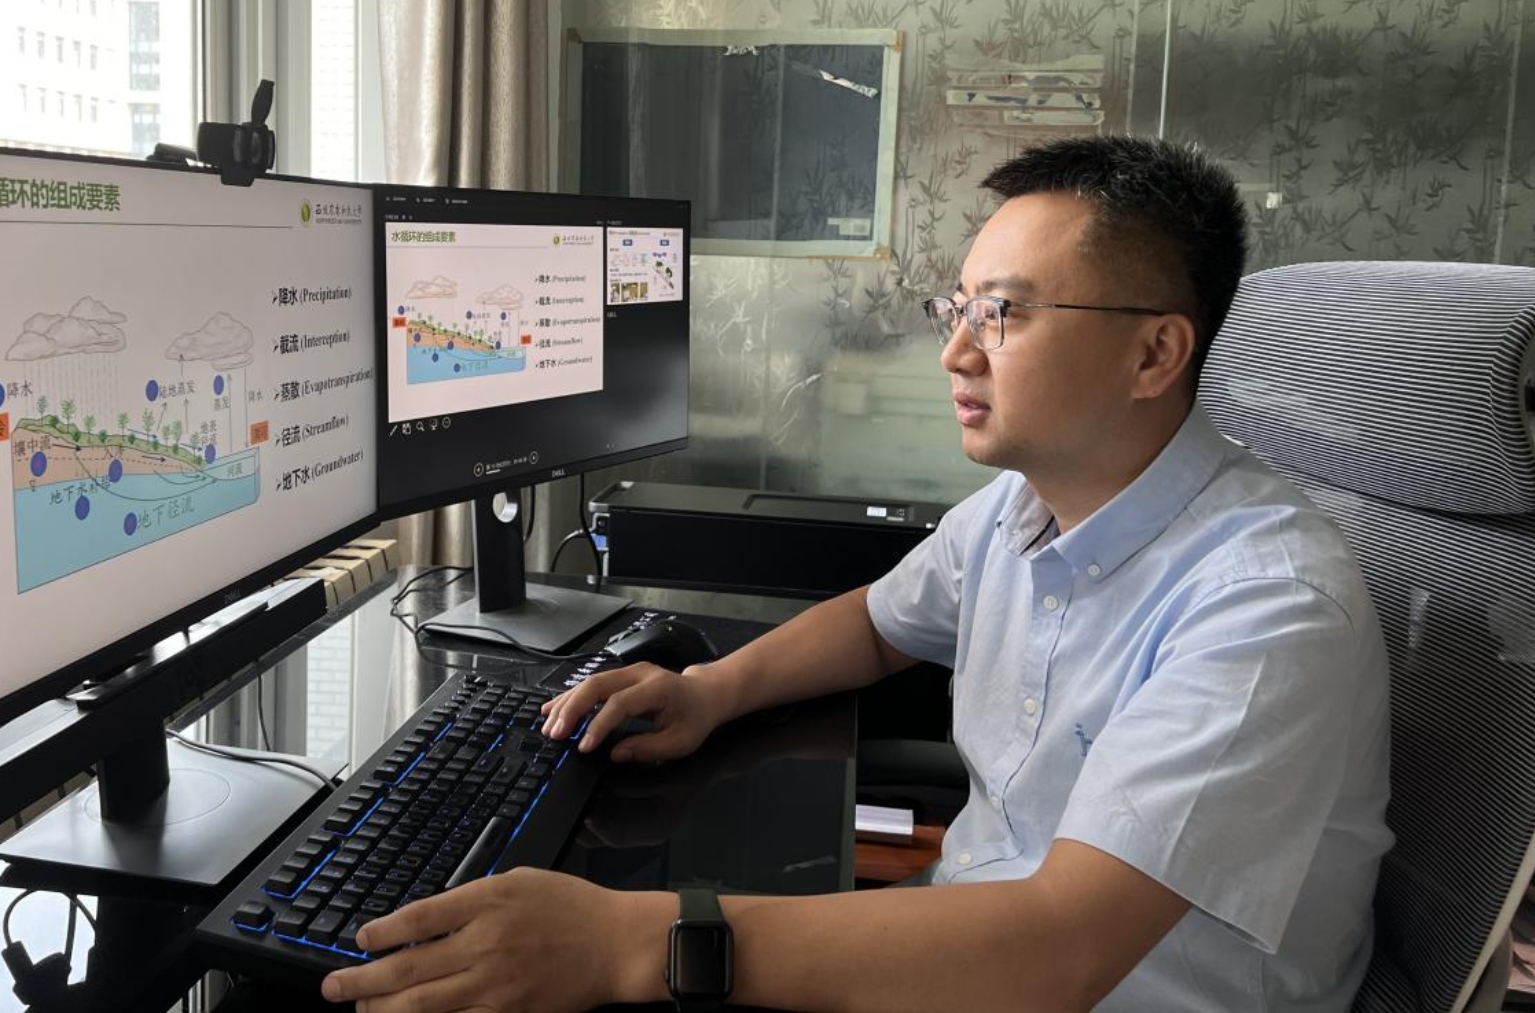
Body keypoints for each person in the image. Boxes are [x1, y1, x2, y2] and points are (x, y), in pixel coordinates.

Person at [320, 135, 1393, 1012]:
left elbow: (1058, 952)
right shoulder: (1021, 507)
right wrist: (707, 690)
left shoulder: (1264, 608)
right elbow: (879, 622)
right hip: (966, 934)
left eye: (1003, 313)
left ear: (1154, 354)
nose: (955, 352)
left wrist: (622, 942)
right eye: (957, 308)